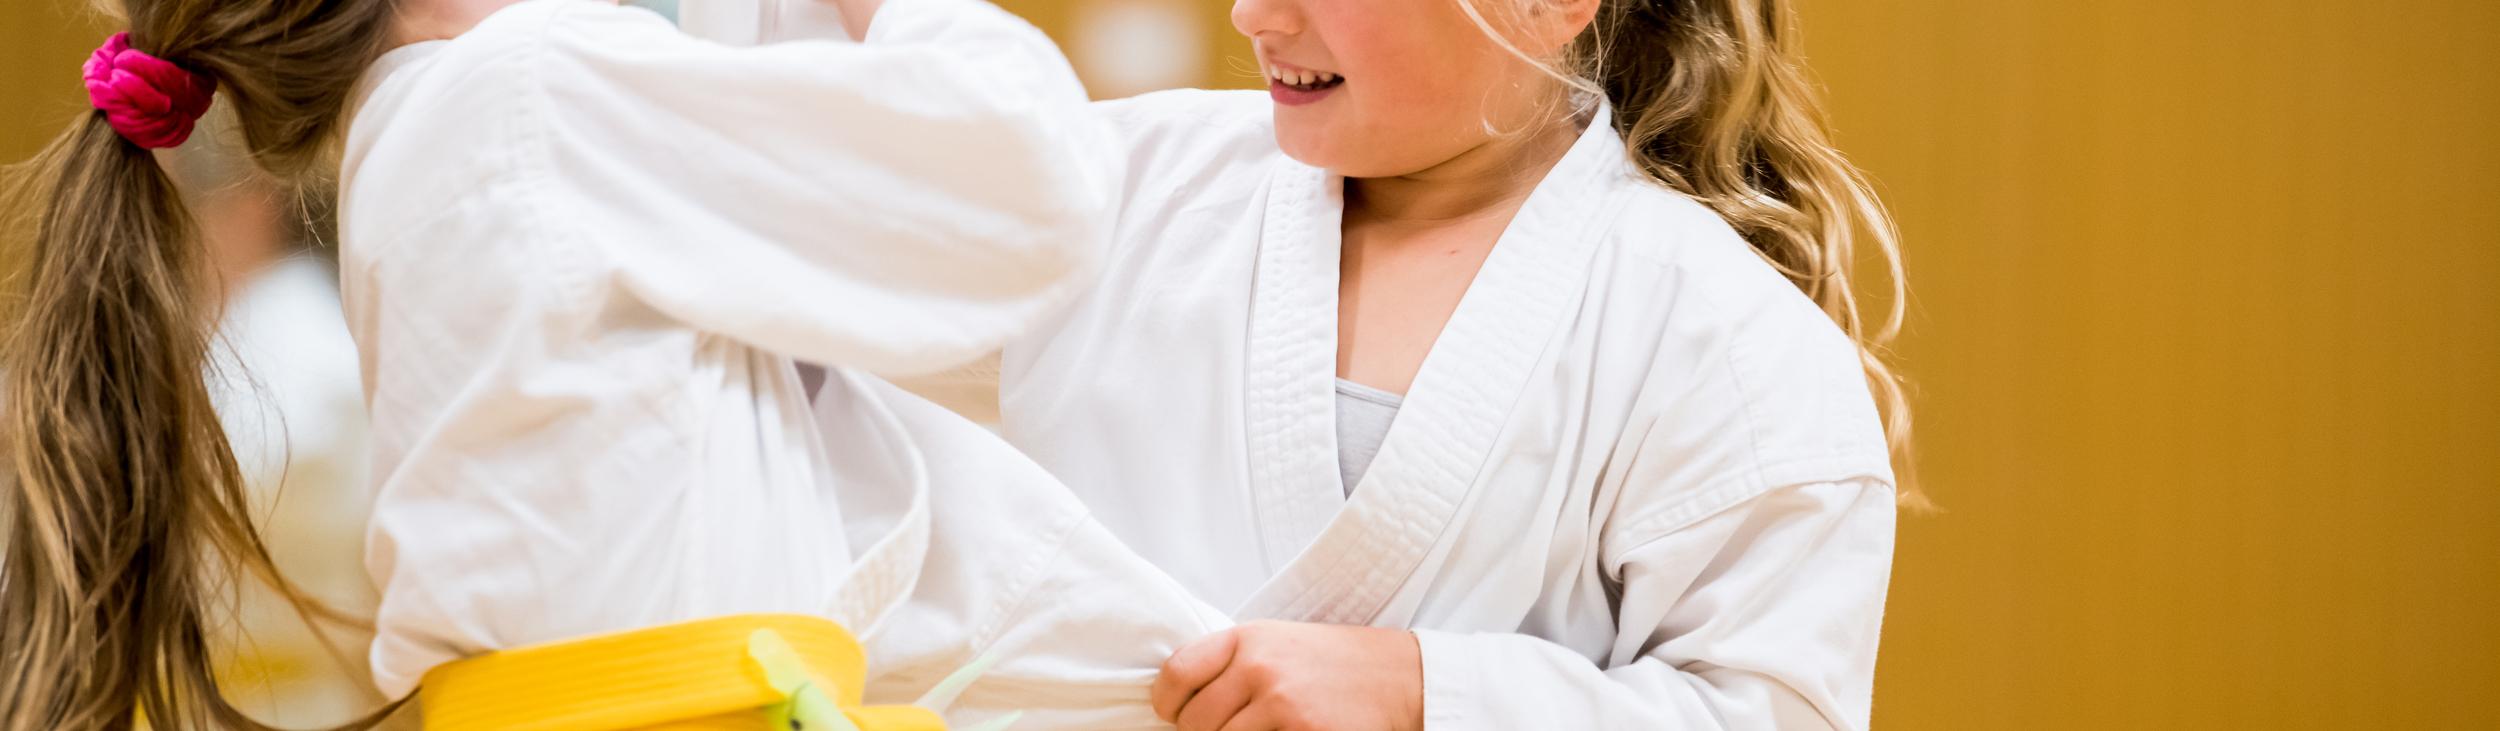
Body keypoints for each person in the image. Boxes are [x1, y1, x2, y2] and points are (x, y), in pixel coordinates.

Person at [0, 0, 1227, 728]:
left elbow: (865, 509)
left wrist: (1174, 657)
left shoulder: (429, 132)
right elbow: (1028, 184)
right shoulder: (526, 87)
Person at [948, 0, 1919, 727]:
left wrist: (1427, 692)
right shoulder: (1110, 188)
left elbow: (1766, 710)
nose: (1254, 14)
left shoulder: (1722, 337)